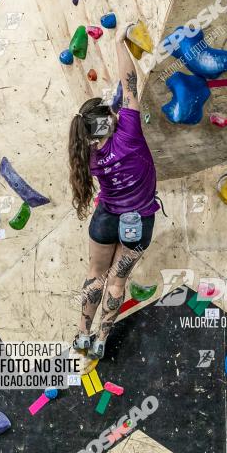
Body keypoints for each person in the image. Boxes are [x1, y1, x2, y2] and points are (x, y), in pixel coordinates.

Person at [68, 25, 159, 360]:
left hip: (106, 216)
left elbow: (117, 101)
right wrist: (120, 42)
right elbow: (128, 83)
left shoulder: (86, 155)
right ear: (110, 122)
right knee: (117, 282)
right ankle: (102, 339)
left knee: (95, 275)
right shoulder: (129, 134)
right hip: (138, 218)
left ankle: (82, 334)